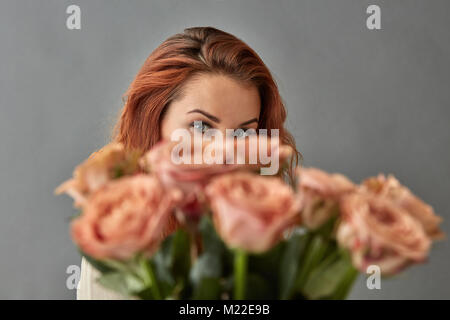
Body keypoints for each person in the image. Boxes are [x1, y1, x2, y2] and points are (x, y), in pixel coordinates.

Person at [77, 26, 300, 300]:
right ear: (154, 122)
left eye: (243, 133)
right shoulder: (118, 239)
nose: (223, 154)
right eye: (201, 126)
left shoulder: (272, 233)